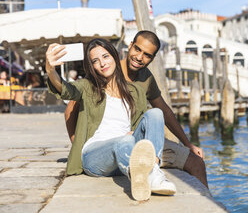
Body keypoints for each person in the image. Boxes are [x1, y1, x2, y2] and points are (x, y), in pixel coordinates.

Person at [65, 30, 208, 187]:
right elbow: (71, 109)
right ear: (130, 45)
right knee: (124, 145)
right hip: (112, 146)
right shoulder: (107, 68)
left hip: (141, 140)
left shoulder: (146, 78)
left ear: (152, 58)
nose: (139, 57)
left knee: (196, 163)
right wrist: (77, 144)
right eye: (137, 49)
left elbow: (164, 111)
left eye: (147, 55)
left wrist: (188, 143)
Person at [46, 38, 176, 201]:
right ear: (91, 66)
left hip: (125, 152)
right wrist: (50, 70)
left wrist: (134, 133)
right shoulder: (87, 87)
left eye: (105, 56)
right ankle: (147, 177)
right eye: (95, 60)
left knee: (155, 113)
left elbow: (141, 126)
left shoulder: (135, 91)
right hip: (95, 156)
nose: (102, 63)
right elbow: (66, 89)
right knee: (124, 141)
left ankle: (152, 171)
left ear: (114, 56)